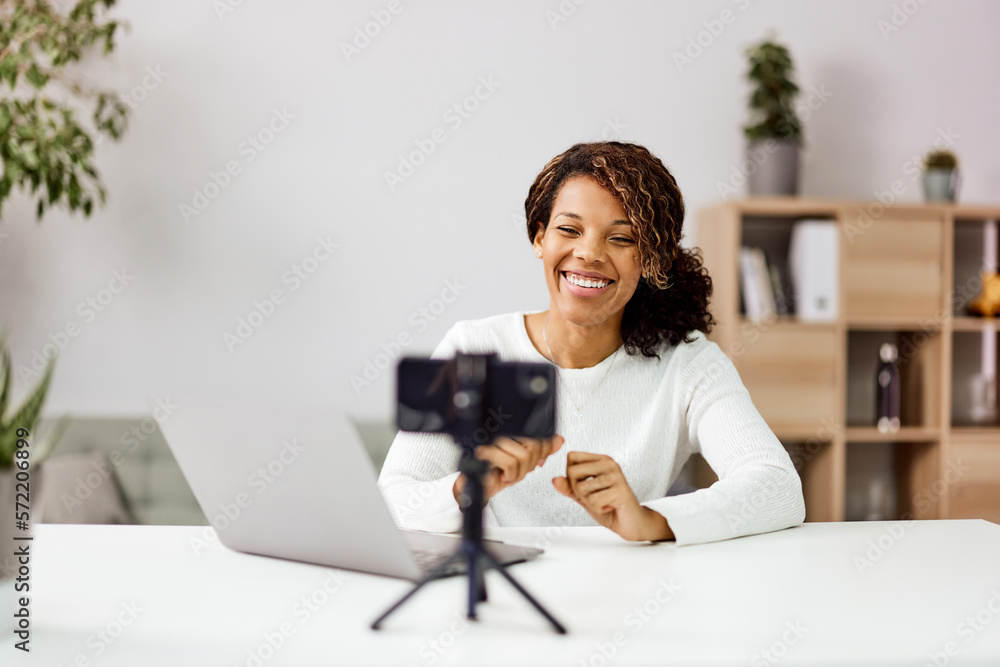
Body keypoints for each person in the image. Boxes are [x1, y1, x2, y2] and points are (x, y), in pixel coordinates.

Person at [377, 141, 805, 546]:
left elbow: (777, 485)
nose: (589, 253)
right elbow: (391, 498)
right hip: (503, 594)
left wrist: (650, 520)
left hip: (631, 599)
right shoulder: (474, 347)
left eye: (620, 238)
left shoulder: (688, 363)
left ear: (650, 257)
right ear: (539, 238)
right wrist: (468, 485)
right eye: (569, 229)